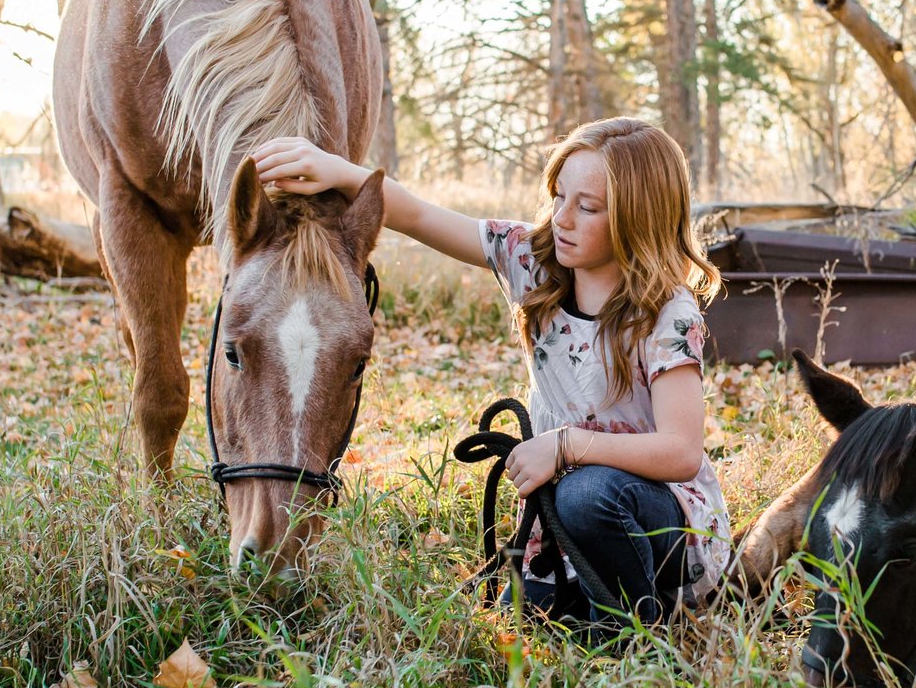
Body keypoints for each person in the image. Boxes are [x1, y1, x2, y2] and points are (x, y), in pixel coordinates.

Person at [250, 117, 730, 627]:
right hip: (562, 511)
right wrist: (337, 171)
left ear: (639, 217)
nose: (561, 218)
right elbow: (416, 215)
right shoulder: (534, 260)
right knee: (534, 602)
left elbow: (681, 452)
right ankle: (581, 597)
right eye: (558, 196)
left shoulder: (666, 312)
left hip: (654, 520)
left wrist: (564, 445)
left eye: (586, 208)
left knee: (588, 494)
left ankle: (634, 631)